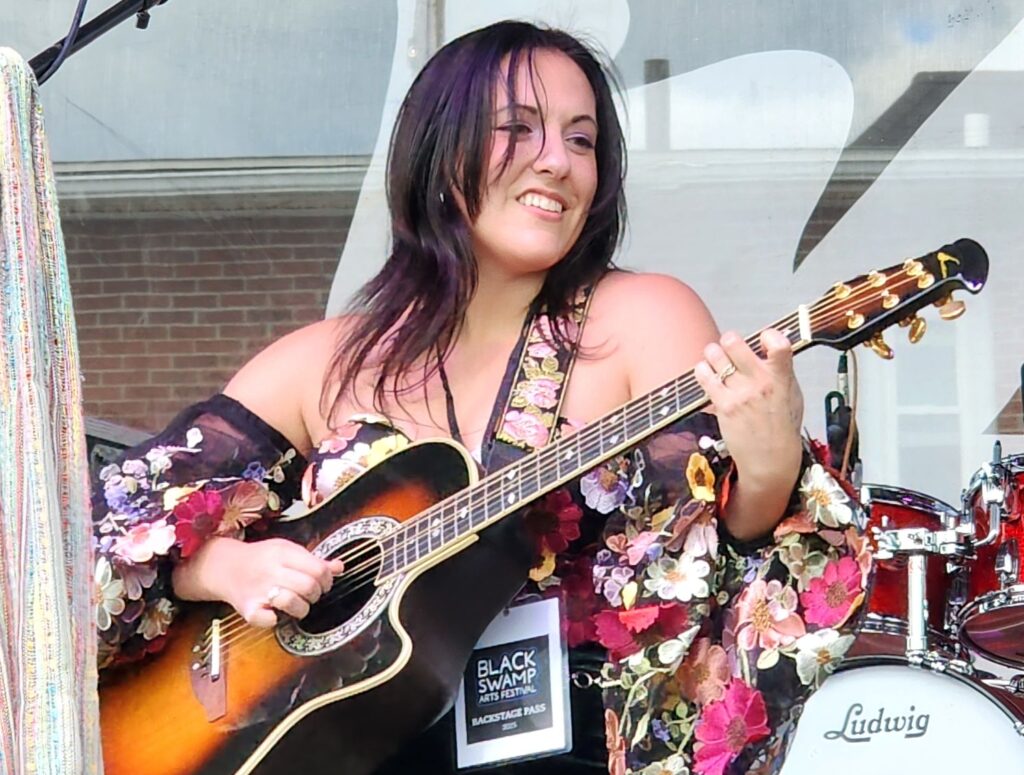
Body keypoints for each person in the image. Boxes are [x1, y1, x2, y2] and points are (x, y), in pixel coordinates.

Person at [92, 20, 869, 775]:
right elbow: (89, 543)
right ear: (439, 150)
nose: (557, 162)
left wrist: (768, 474)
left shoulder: (642, 318)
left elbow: (712, 566)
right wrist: (217, 567)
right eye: (518, 128)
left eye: (581, 140)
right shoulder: (321, 361)